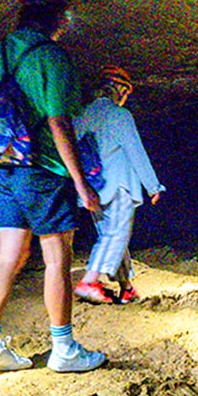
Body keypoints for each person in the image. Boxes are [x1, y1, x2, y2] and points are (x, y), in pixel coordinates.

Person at [0, 0, 106, 373]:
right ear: (58, 15)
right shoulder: (53, 57)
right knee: (57, 258)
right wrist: (81, 182)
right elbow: (59, 123)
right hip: (43, 171)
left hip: (3, 169)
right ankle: (64, 349)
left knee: (8, 255)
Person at [73, 67, 164, 303]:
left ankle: (126, 287)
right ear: (120, 90)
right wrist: (153, 186)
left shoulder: (81, 116)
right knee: (116, 235)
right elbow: (136, 151)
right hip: (119, 185)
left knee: (111, 236)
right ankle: (89, 281)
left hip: (92, 188)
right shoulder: (119, 115)